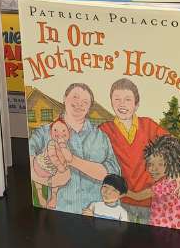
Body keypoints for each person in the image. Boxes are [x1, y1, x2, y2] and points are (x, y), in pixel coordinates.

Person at [28, 83, 119, 216]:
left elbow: (112, 173)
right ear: (65, 98)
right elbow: (28, 160)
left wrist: (72, 160)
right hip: (60, 212)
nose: (79, 104)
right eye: (75, 97)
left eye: (85, 102)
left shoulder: (101, 137)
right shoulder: (43, 132)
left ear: (89, 107)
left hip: (96, 214)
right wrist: (50, 179)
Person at [98, 78, 168, 223]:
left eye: (127, 100)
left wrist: (177, 176)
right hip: (120, 201)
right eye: (117, 99)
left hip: (151, 200)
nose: (122, 104)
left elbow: (175, 148)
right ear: (111, 102)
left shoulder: (148, 125)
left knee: (149, 241)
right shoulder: (104, 129)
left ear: (136, 104)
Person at [125, 135, 180, 229]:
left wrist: (124, 192)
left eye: (161, 164)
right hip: (175, 218)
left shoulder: (166, 184)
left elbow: (138, 196)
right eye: (150, 164)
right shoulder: (171, 179)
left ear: (171, 163)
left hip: (171, 221)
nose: (153, 169)